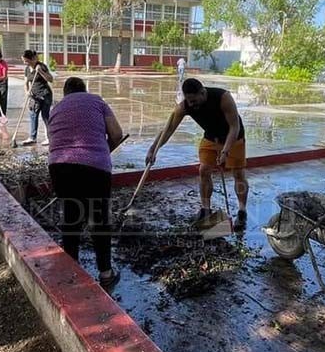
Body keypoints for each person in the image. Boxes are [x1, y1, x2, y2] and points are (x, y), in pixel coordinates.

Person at [48, 77, 125, 289]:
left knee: (71, 218)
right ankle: (106, 273)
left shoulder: (56, 109)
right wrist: (102, 152)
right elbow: (117, 134)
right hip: (95, 168)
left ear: (66, 93)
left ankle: (71, 272)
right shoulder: (97, 101)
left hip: (59, 167)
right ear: (85, 90)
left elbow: (53, 141)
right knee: (99, 219)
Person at [146, 78, 249, 230]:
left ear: (202, 92)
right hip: (210, 137)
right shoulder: (185, 106)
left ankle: (242, 211)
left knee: (238, 173)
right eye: (189, 101)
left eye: (194, 100)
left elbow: (235, 126)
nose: (192, 104)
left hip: (233, 138)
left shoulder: (223, 97)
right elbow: (168, 130)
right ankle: (205, 210)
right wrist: (153, 149)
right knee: (204, 170)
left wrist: (225, 151)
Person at [21, 50, 54, 146]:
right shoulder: (27, 69)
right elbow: (25, 82)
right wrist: (27, 92)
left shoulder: (41, 66)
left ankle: (49, 138)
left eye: (26, 61)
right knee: (33, 115)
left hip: (45, 95)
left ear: (32, 59)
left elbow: (50, 79)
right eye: (24, 61)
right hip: (34, 96)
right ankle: (32, 137)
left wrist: (40, 71)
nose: (25, 63)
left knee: (45, 116)